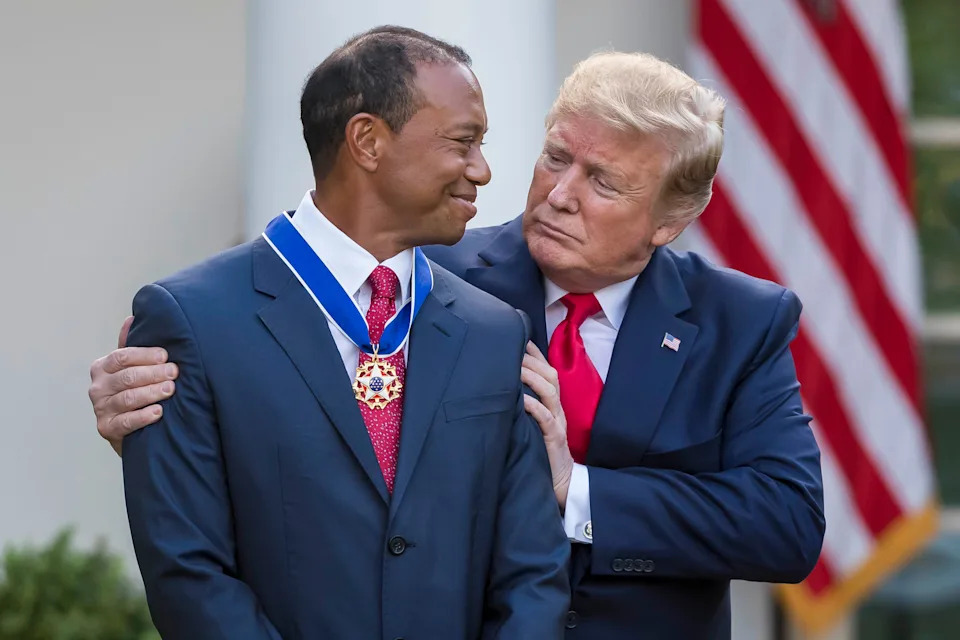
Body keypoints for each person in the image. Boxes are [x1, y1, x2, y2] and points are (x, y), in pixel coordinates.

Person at [89, 46, 825, 639]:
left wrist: (574, 491)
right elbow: (289, 424)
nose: (559, 193)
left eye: (603, 182)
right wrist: (169, 419)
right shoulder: (421, 275)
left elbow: (787, 526)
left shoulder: (740, 322)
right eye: (556, 157)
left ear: (671, 220)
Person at [103, 26, 570, 640]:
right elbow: (188, 573)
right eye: (463, 143)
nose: (481, 171)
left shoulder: (494, 332)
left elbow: (532, 575)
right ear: (367, 141)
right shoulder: (192, 320)